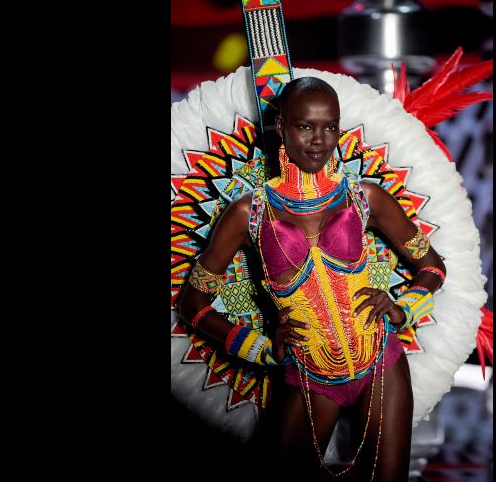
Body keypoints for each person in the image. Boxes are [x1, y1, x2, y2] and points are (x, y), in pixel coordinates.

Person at [178, 77, 446, 481]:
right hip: (307, 375)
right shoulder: (247, 214)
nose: (320, 140)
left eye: (330, 127)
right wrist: (258, 348)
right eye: (305, 126)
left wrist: (403, 306)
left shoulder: (365, 197)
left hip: (381, 364)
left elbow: (433, 266)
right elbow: (191, 305)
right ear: (280, 126)